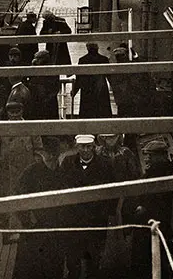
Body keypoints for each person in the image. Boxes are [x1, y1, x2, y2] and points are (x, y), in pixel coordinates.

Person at [61, 134, 116, 279]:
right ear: (76, 146)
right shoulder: (67, 163)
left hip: (95, 219)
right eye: (81, 146)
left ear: (94, 146)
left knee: (94, 257)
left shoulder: (105, 164)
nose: (85, 150)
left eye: (88, 146)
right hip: (73, 219)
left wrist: (107, 214)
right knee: (73, 258)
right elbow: (61, 189)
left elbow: (112, 192)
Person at [16, 136, 68, 278]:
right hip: (36, 229)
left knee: (55, 266)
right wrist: (28, 220)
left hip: (57, 229)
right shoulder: (31, 173)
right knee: (34, 267)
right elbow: (18, 198)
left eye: (53, 153)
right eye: (46, 153)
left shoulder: (64, 173)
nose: (49, 157)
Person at [131, 139, 173, 279]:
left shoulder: (171, 178)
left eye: (150, 155)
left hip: (162, 229)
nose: (147, 159)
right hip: (152, 229)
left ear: (161, 156)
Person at [0, 101, 41, 229]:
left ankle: (26, 228)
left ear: (22, 112)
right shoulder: (1, 130)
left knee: (26, 200)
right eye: (11, 112)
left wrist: (34, 167)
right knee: (5, 202)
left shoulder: (30, 128)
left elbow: (39, 150)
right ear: (7, 113)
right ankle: (5, 231)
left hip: (26, 172)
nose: (14, 115)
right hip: (7, 174)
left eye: (17, 112)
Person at [72, 42, 112, 118]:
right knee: (102, 111)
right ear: (97, 48)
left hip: (87, 88)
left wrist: (75, 90)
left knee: (88, 112)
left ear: (87, 49)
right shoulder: (104, 59)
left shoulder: (83, 60)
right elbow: (109, 76)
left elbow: (79, 77)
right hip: (100, 86)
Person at [27, 49, 60, 119]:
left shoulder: (34, 70)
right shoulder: (53, 69)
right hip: (50, 102)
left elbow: (31, 83)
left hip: (38, 101)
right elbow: (56, 87)